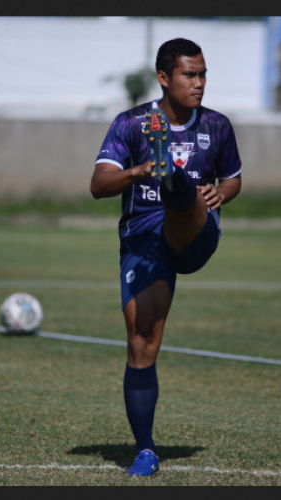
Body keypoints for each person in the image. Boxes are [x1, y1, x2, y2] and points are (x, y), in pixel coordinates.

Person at [90, 38, 242, 476]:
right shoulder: (131, 123)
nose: (199, 83)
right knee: (141, 343)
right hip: (144, 241)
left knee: (185, 200)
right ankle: (145, 450)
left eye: (203, 74)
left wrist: (221, 192)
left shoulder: (218, 125)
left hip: (195, 232)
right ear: (163, 78)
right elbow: (98, 185)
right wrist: (138, 171)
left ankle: (172, 176)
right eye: (189, 75)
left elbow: (232, 181)